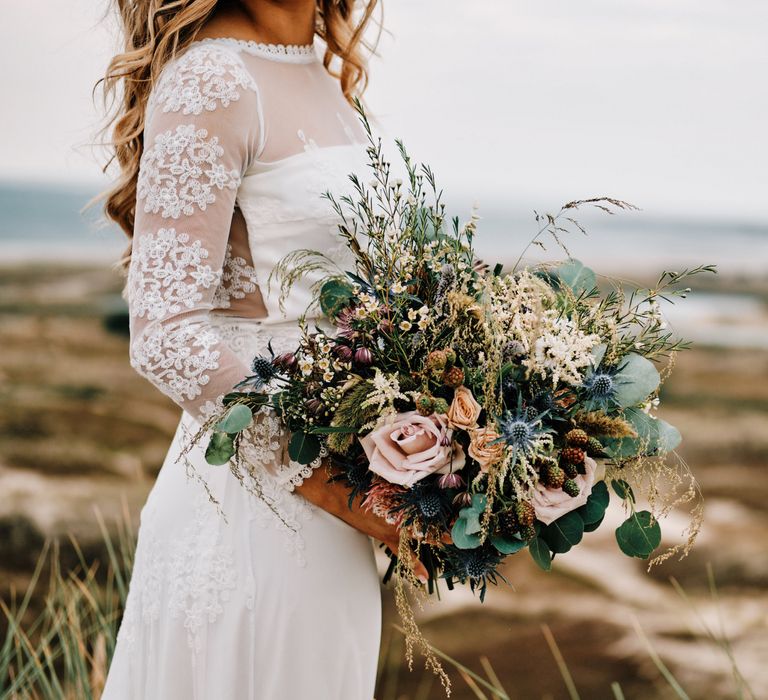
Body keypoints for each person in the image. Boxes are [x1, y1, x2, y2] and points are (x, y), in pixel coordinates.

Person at [99, 1, 425, 697]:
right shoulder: (211, 80)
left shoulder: (320, 72)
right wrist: (343, 493)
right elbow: (165, 335)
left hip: (333, 526)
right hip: (255, 517)